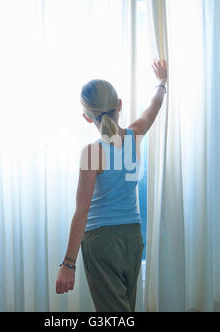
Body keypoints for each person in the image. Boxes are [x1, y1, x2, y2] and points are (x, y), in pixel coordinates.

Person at [56, 59, 168, 312]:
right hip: (132, 237)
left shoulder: (93, 153)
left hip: (102, 243)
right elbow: (155, 104)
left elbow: (82, 211)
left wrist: (68, 264)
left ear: (87, 117)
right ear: (119, 105)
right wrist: (161, 82)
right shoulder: (134, 135)